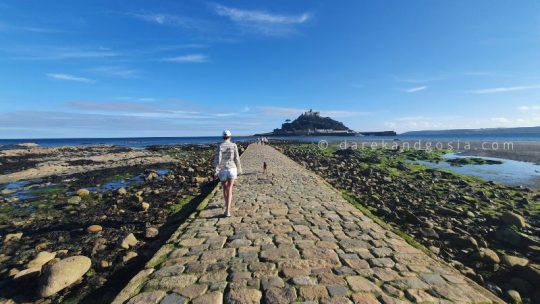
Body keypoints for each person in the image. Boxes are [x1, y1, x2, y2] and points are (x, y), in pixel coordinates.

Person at [213, 130, 242, 217]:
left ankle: (227, 207)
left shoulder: (220, 145)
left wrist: (216, 170)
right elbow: (237, 158)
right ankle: (227, 210)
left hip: (223, 169)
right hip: (232, 168)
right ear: (230, 137)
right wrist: (239, 169)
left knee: (225, 188)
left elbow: (218, 159)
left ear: (223, 137)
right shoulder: (234, 145)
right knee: (230, 189)